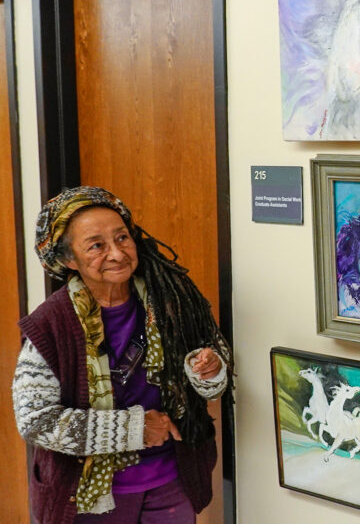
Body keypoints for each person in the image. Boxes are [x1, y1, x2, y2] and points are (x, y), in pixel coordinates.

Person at [11, 186, 234, 524]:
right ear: (69, 259)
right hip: (91, 498)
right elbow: (36, 420)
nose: (116, 253)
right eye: (96, 246)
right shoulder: (51, 325)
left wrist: (211, 371)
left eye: (122, 238)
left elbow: (214, 386)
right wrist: (134, 429)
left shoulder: (173, 300)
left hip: (171, 483)